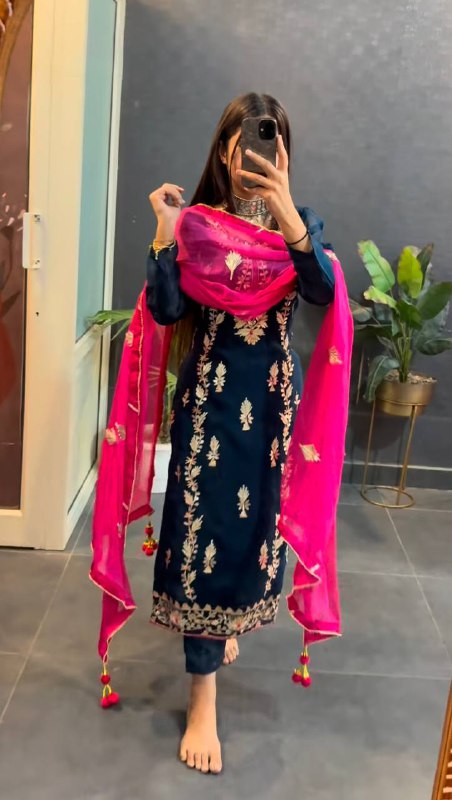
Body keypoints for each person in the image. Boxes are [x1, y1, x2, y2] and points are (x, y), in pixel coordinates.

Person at [145, 93, 336, 774]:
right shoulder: (199, 226)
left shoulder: (299, 227)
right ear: (224, 148)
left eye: (267, 140)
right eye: (243, 140)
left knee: (251, 535)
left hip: (271, 411)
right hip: (212, 405)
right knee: (205, 536)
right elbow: (166, 308)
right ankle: (203, 696)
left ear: (282, 151)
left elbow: (321, 292)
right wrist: (165, 233)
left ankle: (222, 624)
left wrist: (288, 217)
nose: (253, 153)